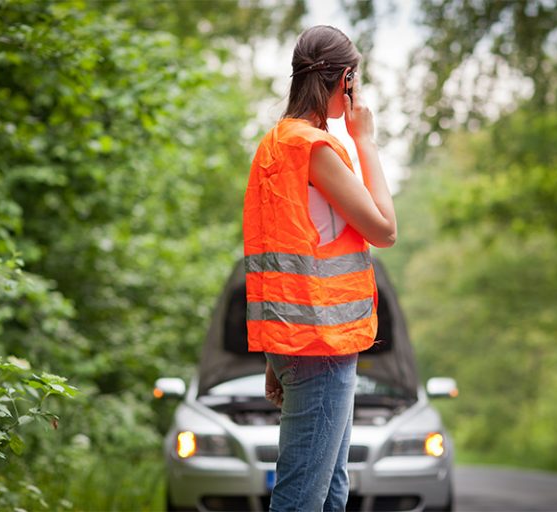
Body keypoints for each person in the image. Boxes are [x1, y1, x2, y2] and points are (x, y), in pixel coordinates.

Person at [242, 25, 397, 512]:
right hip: (323, 345)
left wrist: (273, 354)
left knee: (329, 492)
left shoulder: (273, 146)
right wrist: (365, 140)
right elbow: (385, 230)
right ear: (346, 79)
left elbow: (278, 259)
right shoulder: (315, 148)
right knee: (303, 497)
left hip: (294, 342)